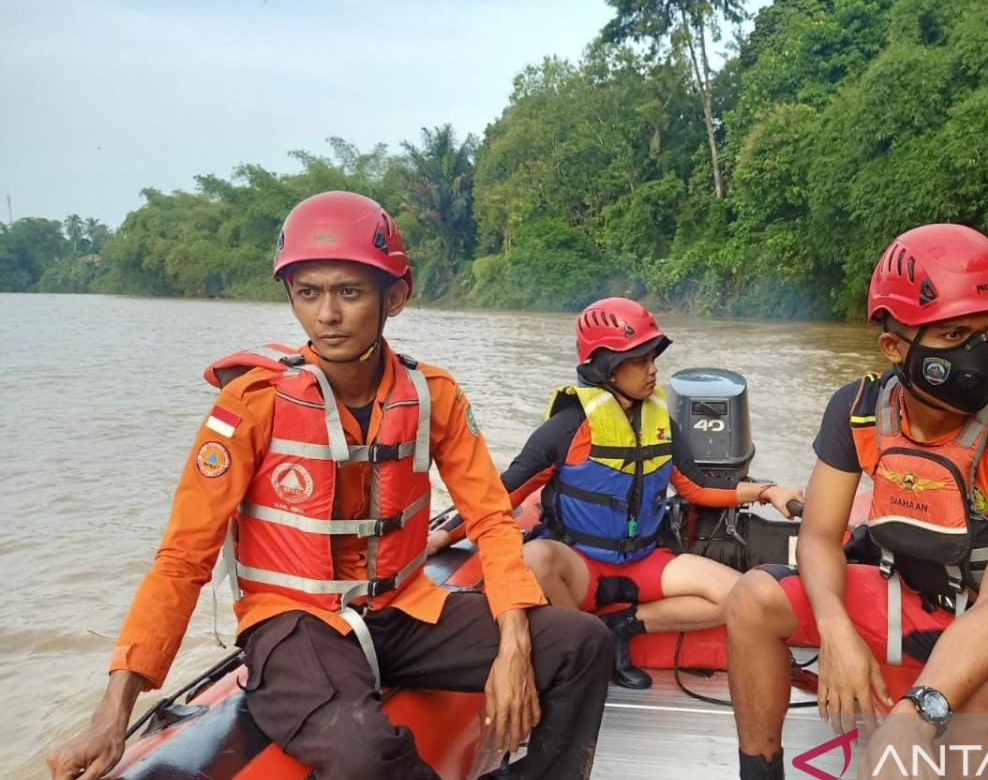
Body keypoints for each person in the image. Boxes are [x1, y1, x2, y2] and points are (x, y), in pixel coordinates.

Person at [46, 191, 612, 780]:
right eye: (308, 293)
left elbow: (494, 520)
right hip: (293, 622)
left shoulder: (433, 395)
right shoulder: (252, 404)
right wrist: (114, 710)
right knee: (362, 752)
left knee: (583, 644)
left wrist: (514, 641)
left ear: (394, 296)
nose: (327, 315)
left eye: (349, 291)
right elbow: (182, 558)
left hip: (402, 609)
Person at [725, 224, 988, 779]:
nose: (979, 354)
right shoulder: (858, 408)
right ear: (894, 347)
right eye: (955, 336)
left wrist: (919, 710)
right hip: (919, 597)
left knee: (980, 692)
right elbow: (817, 535)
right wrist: (835, 633)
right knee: (752, 599)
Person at [498, 297, 803, 689]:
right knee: (535, 556)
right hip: (580, 564)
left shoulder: (660, 422)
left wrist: (767, 492)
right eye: (640, 360)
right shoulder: (568, 427)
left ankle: (619, 627)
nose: (653, 369)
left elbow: (698, 487)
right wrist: (442, 537)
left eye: (652, 357)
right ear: (606, 365)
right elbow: (497, 495)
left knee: (740, 596)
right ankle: (584, 647)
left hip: (643, 560)